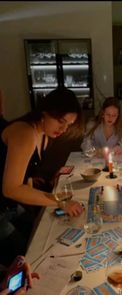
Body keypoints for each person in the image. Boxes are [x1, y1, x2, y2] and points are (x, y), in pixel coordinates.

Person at [0, 87, 84, 265]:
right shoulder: (25, 133)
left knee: (40, 232)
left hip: (11, 205)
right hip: (3, 205)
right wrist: (60, 201)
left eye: (68, 124)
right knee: (25, 256)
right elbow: (11, 188)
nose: (63, 129)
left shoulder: (44, 135)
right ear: (45, 111)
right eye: (61, 121)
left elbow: (27, 176)